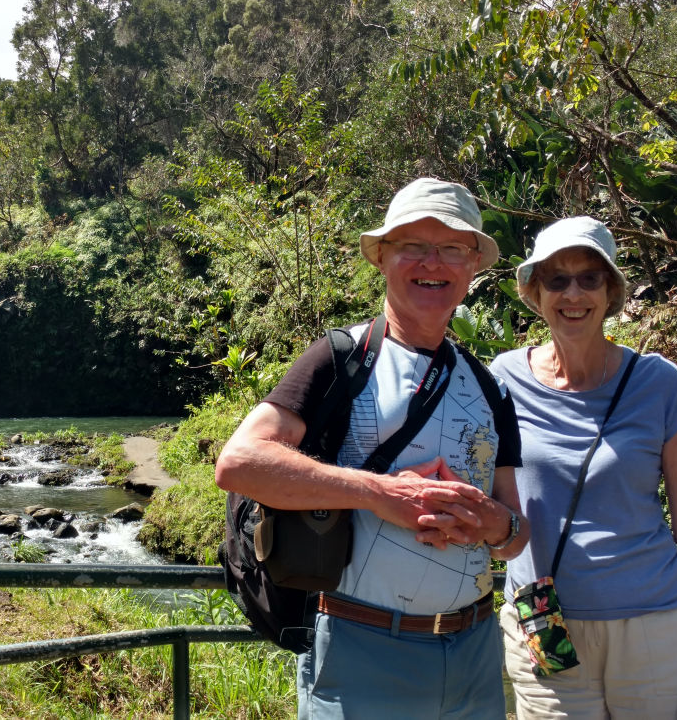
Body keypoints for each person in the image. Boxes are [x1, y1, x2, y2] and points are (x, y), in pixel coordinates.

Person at [215, 177, 529, 718]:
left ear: (474, 264)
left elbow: (515, 535)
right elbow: (240, 463)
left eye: (453, 248)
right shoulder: (341, 359)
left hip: (475, 652)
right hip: (358, 649)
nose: (433, 263)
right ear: (382, 257)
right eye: (413, 245)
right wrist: (380, 493)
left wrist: (493, 523)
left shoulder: (489, 386)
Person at [490, 216, 677, 718]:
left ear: (610, 291)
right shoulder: (501, 380)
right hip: (544, 620)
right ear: (535, 292)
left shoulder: (657, 384)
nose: (574, 293)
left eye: (590, 278)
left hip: (655, 626)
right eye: (557, 279)